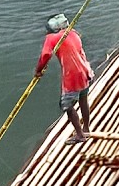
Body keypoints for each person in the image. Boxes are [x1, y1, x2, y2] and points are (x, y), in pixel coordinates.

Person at [33, 14, 94, 145]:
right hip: (85, 72)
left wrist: (38, 70)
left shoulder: (52, 38)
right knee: (83, 99)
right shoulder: (73, 33)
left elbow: (45, 55)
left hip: (72, 77)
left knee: (66, 105)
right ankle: (86, 128)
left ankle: (80, 135)